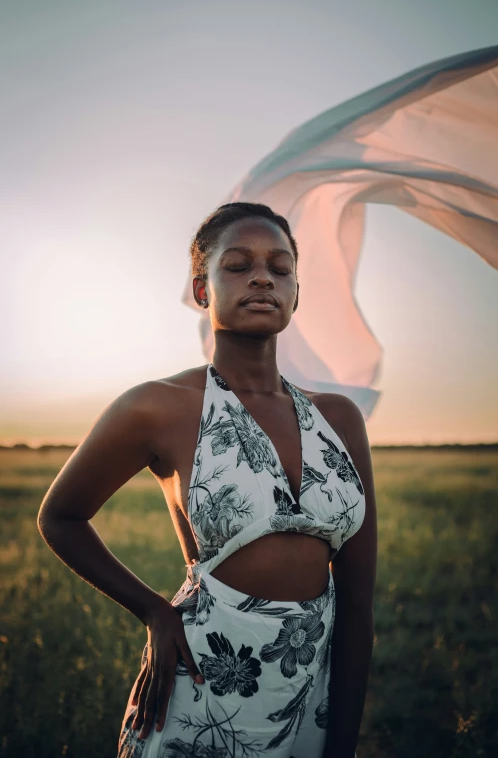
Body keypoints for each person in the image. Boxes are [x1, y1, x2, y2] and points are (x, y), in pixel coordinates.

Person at [37, 201, 377, 758]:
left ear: (296, 293)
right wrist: (153, 609)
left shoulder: (338, 418)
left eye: (281, 268)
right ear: (202, 290)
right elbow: (60, 516)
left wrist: (341, 742)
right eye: (238, 265)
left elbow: (359, 604)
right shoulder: (157, 407)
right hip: (203, 683)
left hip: (309, 694)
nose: (263, 276)